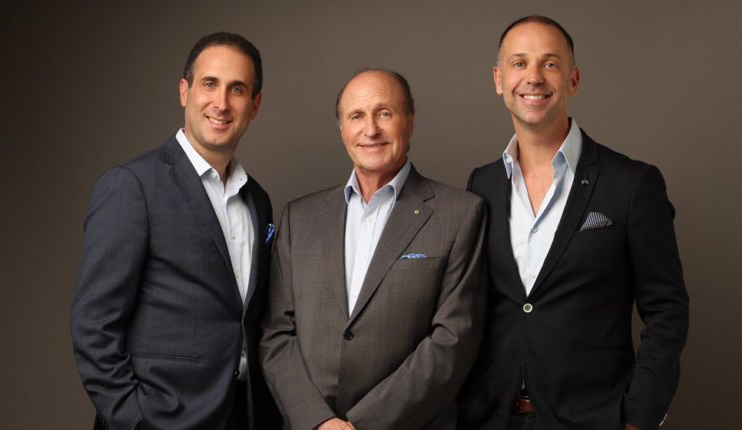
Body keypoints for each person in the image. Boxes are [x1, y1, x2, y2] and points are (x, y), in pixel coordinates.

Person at [458, 16, 689, 430]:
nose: (533, 77)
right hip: (489, 418)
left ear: (574, 80)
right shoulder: (481, 184)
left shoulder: (632, 184)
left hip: (593, 419)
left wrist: (640, 416)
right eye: (519, 63)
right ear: (499, 79)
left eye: (550, 64)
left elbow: (667, 310)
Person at [70, 32, 280, 430]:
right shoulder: (132, 185)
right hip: (160, 418)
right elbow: (93, 325)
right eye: (209, 84)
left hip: (242, 415)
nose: (221, 103)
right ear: (185, 92)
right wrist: (135, 419)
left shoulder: (258, 200)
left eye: (237, 89)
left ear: (254, 105)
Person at [259, 69, 486, 430]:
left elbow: (452, 342)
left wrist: (361, 425)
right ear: (342, 129)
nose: (370, 129)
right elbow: (276, 336)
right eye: (356, 116)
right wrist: (318, 421)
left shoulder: (459, 214)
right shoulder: (298, 219)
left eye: (384, 113)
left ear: (409, 121)